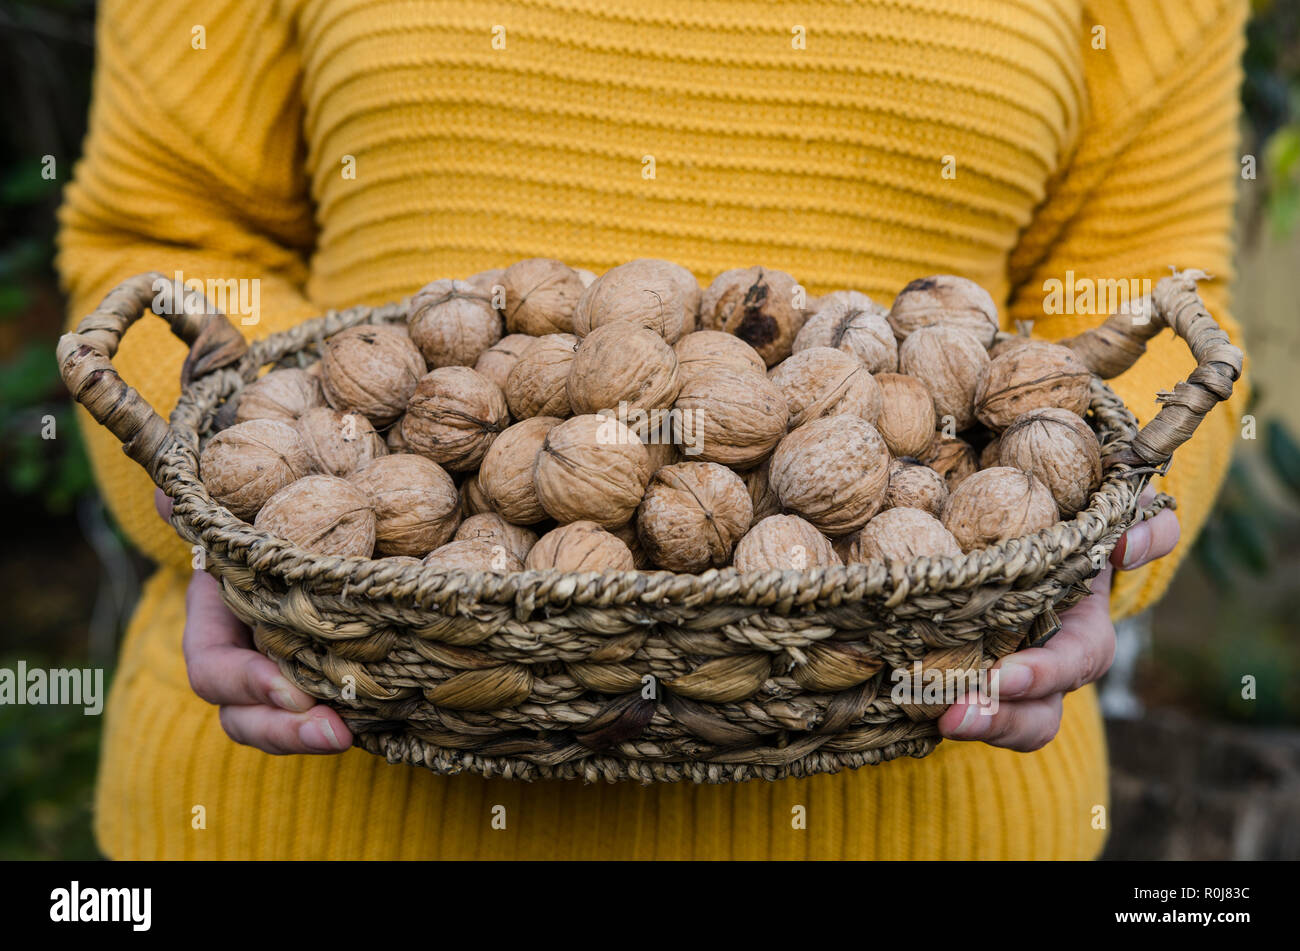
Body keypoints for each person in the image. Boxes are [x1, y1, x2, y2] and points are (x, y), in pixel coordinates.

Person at [58, 0, 1249, 859]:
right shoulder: (461, 436)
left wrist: (1078, 549)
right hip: (322, 776)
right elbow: (167, 233)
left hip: (914, 808)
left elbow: (1148, 283)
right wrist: (229, 516)